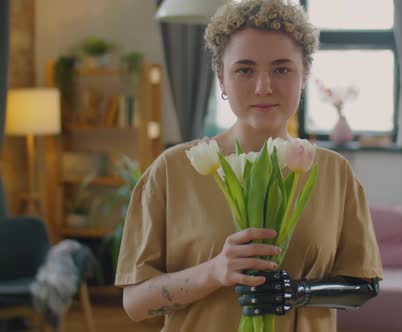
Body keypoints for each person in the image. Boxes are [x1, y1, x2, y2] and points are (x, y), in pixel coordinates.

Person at [115, 0, 383, 331]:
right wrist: (213, 271)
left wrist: (297, 292)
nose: (263, 86)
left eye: (282, 69)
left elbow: (364, 286)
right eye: (245, 69)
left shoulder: (334, 173)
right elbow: (135, 303)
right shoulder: (172, 171)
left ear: (305, 76)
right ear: (221, 78)